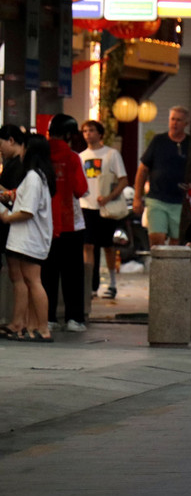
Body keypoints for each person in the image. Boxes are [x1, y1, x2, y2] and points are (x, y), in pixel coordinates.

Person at [0, 135, 55, 342]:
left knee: (33, 281)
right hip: (28, 238)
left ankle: (42, 328)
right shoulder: (38, 176)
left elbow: (28, 211)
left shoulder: (33, 177)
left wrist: (7, 217)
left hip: (29, 239)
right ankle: (33, 327)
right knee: (32, 282)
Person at [43, 114, 89, 333]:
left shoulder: (40, 155)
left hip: (45, 223)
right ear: (70, 134)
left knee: (47, 272)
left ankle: (48, 317)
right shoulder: (72, 158)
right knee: (73, 274)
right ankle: (74, 318)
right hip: (71, 224)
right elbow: (80, 190)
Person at [79, 120, 127, 299]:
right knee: (88, 245)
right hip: (86, 205)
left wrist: (109, 197)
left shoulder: (111, 154)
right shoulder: (81, 156)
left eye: (91, 130)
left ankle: (112, 283)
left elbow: (123, 180)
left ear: (100, 133)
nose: (87, 134)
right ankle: (90, 285)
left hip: (105, 207)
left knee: (107, 246)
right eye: (84, 131)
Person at [133, 106, 190, 247]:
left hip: (180, 200)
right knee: (157, 238)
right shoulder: (159, 141)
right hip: (157, 198)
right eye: (172, 119)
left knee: (177, 240)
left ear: (186, 124)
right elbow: (143, 170)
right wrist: (137, 197)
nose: (174, 123)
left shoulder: (190, 143)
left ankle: (171, 267)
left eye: (178, 120)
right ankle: (158, 265)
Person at [0, 125, 27, 266]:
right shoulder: (13, 163)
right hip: (11, 224)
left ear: (11, 140)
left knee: (19, 275)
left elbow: (16, 195)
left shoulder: (20, 166)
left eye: (0, 144)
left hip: (14, 225)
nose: (0, 149)